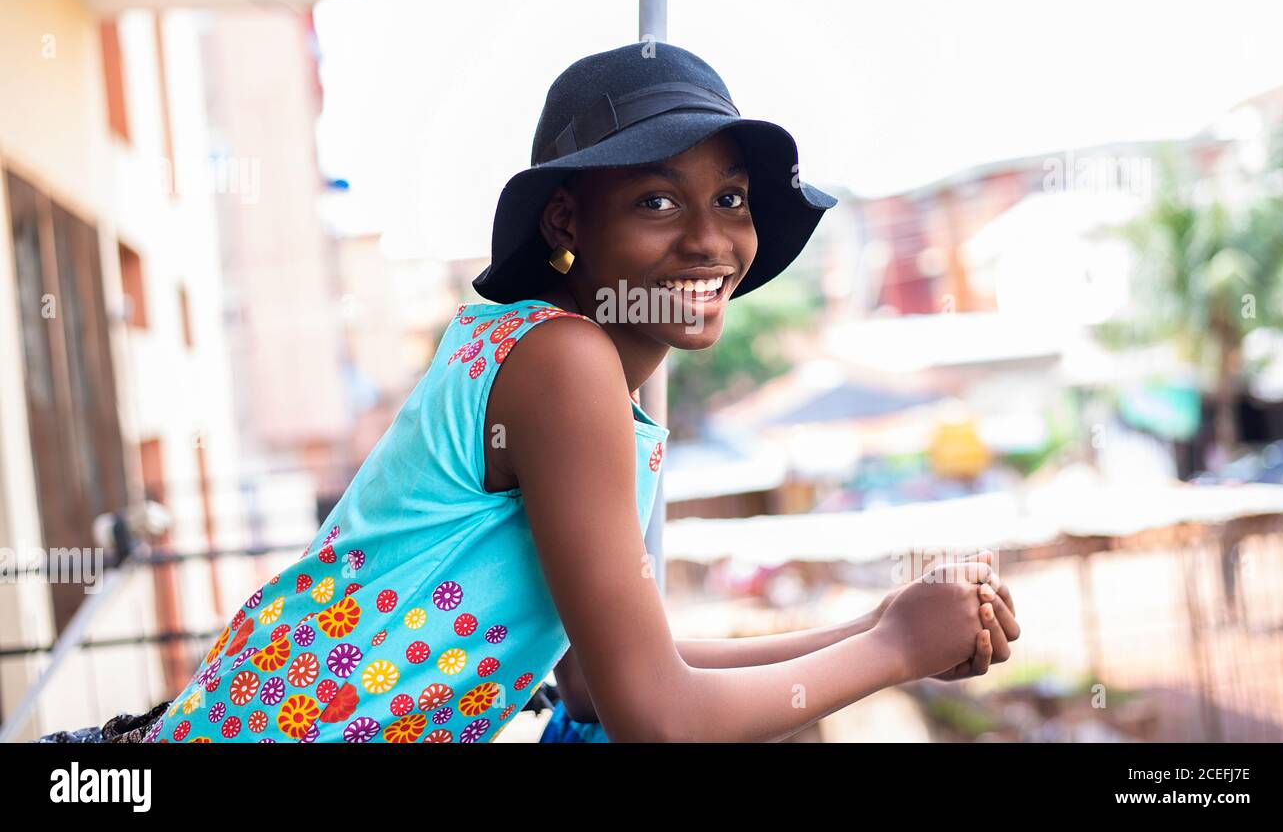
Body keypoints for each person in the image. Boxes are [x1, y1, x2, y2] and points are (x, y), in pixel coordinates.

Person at [132, 41, 1017, 744]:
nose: (711, 241)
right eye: (657, 204)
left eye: (733, 197)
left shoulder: (580, 375)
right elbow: (657, 718)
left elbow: (598, 680)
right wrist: (896, 649)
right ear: (566, 223)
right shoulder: (564, 363)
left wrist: (874, 620)